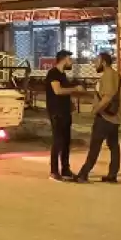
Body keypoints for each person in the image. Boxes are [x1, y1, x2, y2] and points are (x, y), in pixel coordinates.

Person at [75, 52, 121, 184]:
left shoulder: (108, 75)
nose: (94, 63)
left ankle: (83, 174)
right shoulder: (113, 75)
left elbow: (107, 97)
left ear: (103, 62)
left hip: (105, 117)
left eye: (96, 61)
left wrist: (96, 110)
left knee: (95, 146)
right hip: (113, 117)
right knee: (113, 146)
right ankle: (112, 175)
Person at [45, 50, 85, 181]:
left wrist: (71, 104)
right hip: (56, 113)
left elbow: (65, 92)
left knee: (66, 142)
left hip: (65, 112)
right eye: (70, 59)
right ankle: (54, 171)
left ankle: (66, 170)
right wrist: (75, 89)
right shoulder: (53, 73)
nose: (71, 62)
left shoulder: (63, 75)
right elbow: (58, 90)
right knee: (58, 142)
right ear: (64, 59)